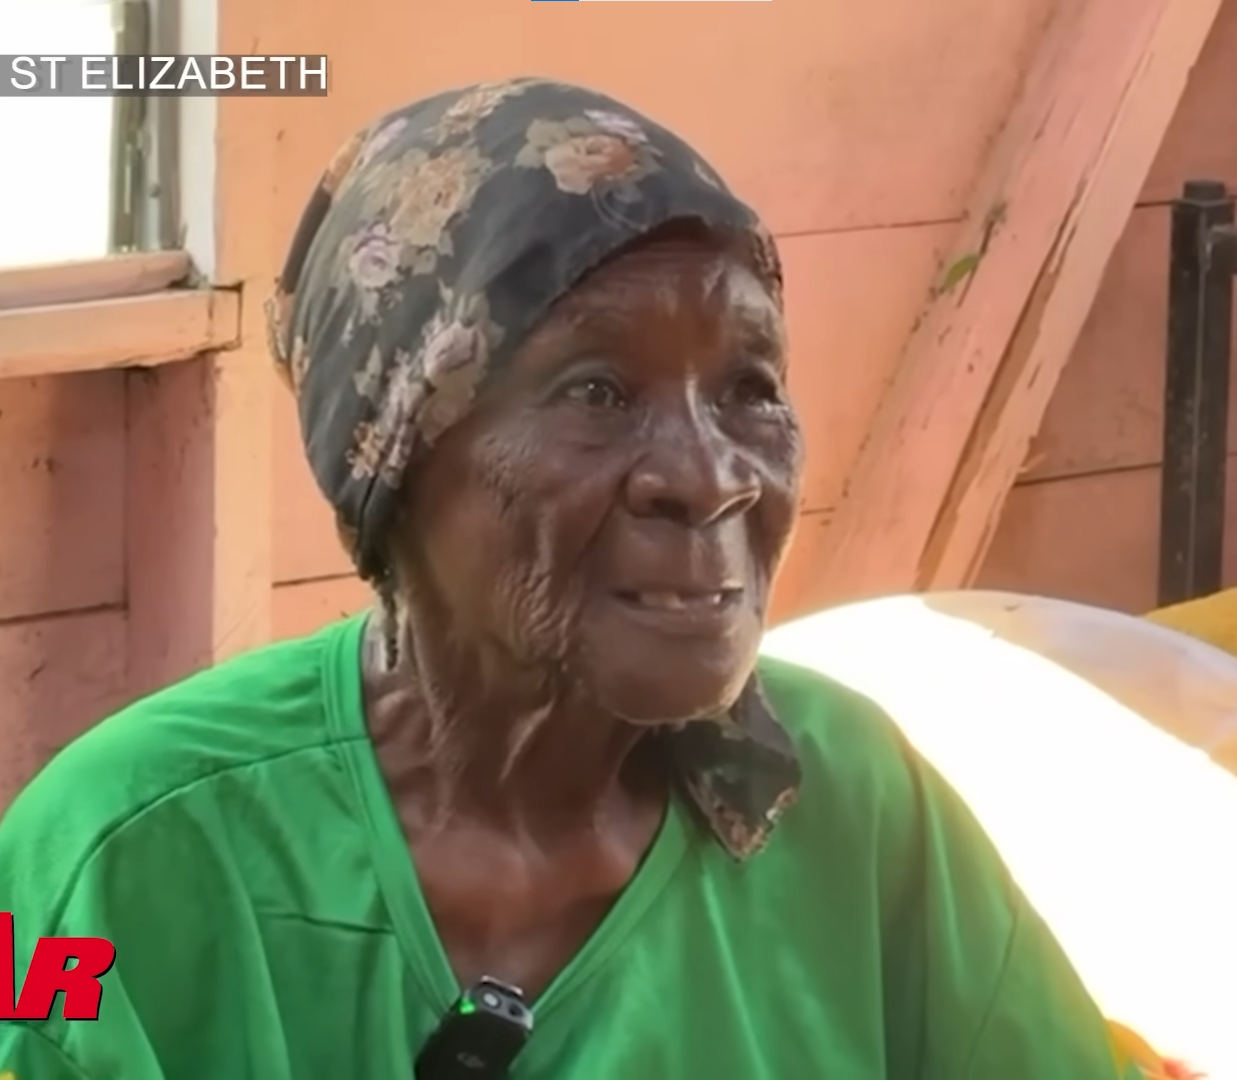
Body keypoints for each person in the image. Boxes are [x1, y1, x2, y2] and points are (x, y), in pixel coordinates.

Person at [0, 78, 1141, 1078]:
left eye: (749, 387)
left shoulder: (854, 806)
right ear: (396, 457)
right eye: (596, 392)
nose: (711, 479)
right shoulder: (118, 858)